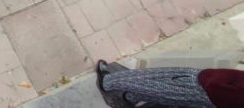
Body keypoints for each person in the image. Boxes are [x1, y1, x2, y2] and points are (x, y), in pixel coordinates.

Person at [95, 60, 244, 108]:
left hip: (206, 87)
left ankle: (107, 83)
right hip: (210, 92)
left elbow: (231, 93)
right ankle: (128, 98)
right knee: (163, 95)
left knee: (152, 81)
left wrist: (208, 82)